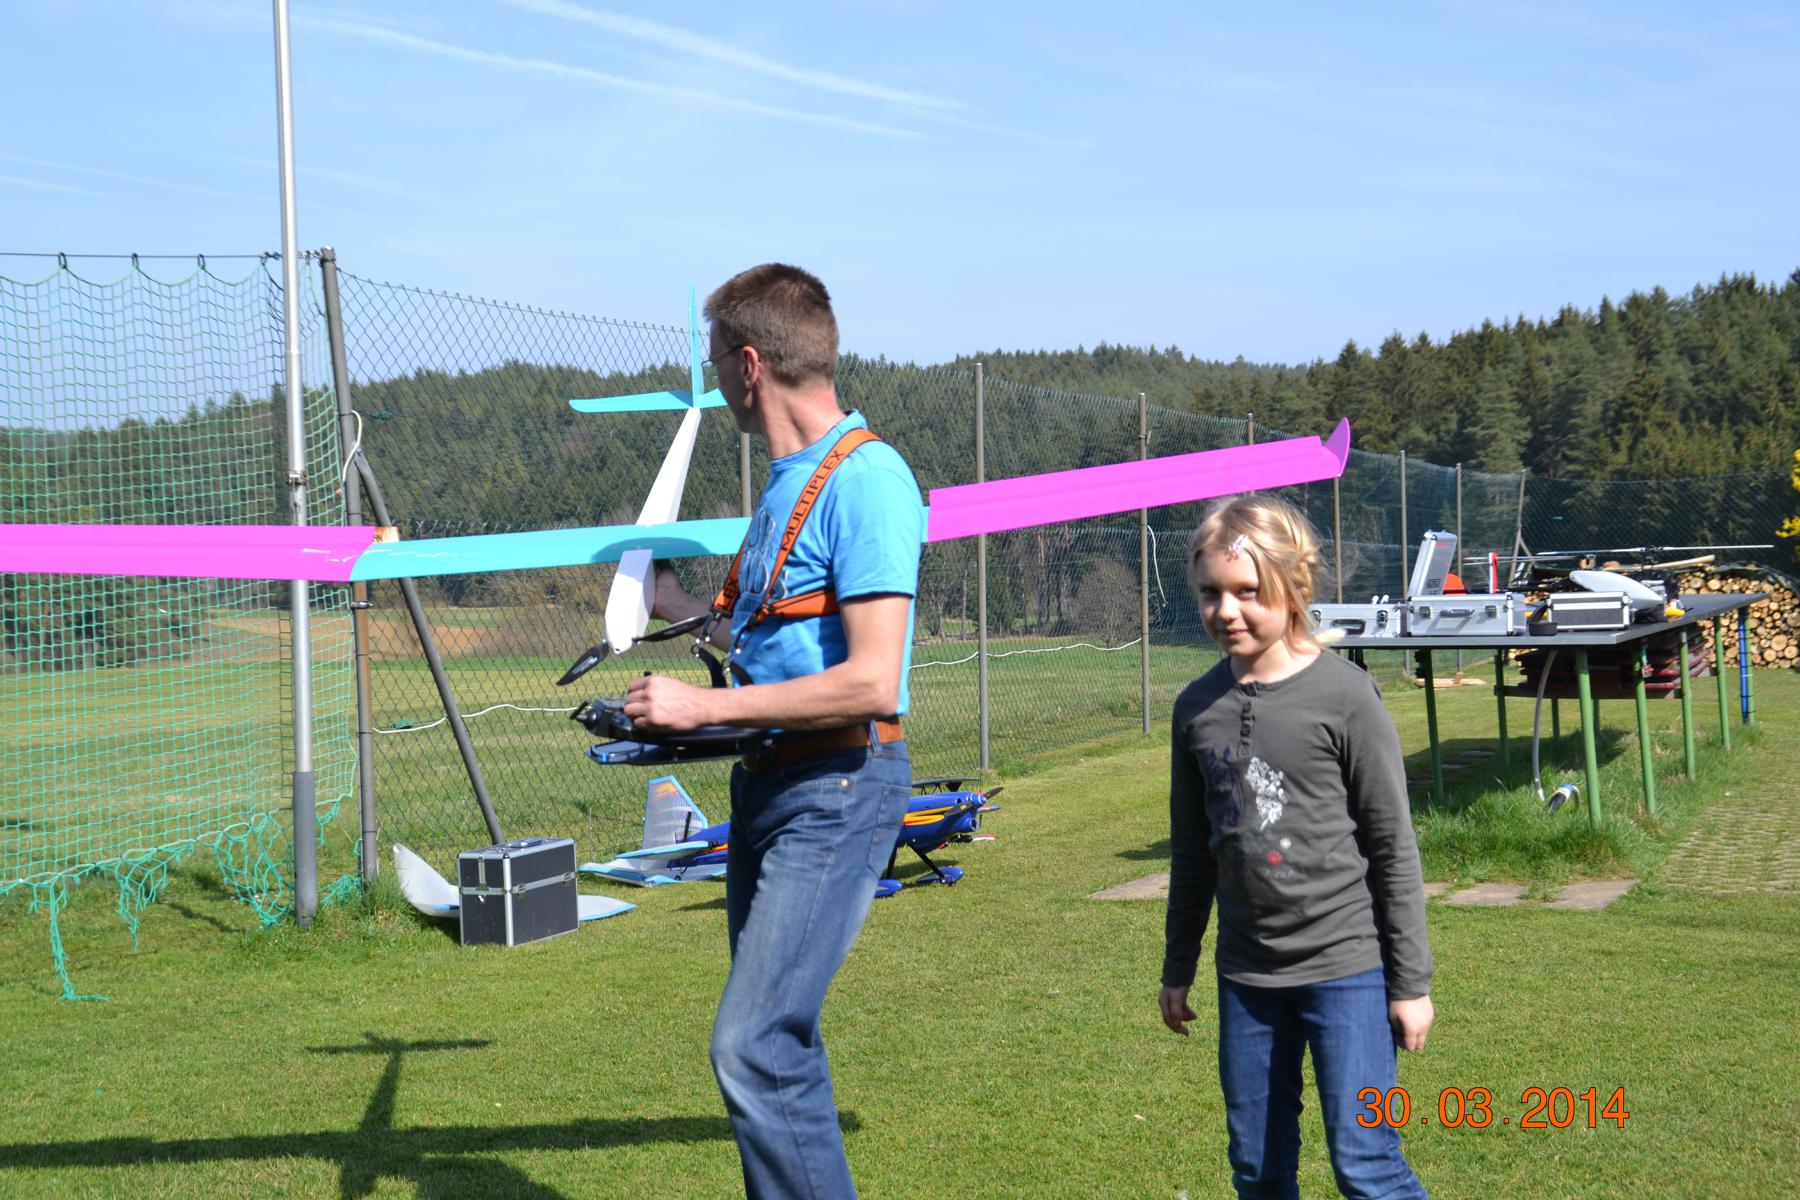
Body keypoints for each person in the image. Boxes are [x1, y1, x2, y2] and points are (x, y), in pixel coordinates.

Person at [624, 263, 923, 1199]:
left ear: (749, 363)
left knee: (753, 1043)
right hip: (769, 786)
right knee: (776, 1044)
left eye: (714, 359)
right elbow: (772, 646)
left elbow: (873, 681)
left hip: (837, 788)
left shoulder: (867, 481)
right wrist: (676, 608)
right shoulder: (787, 485)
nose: (712, 379)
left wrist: (702, 707)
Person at [1158, 493, 1435, 1200]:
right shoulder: (1195, 710)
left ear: (1293, 586)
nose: (1227, 610)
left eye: (1248, 591)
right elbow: (1193, 853)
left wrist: (1410, 985)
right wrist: (1178, 967)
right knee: (1258, 1170)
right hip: (1247, 980)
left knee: (1367, 1165)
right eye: (1211, 593)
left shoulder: (1348, 696)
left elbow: (1392, 847)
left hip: (1348, 972)